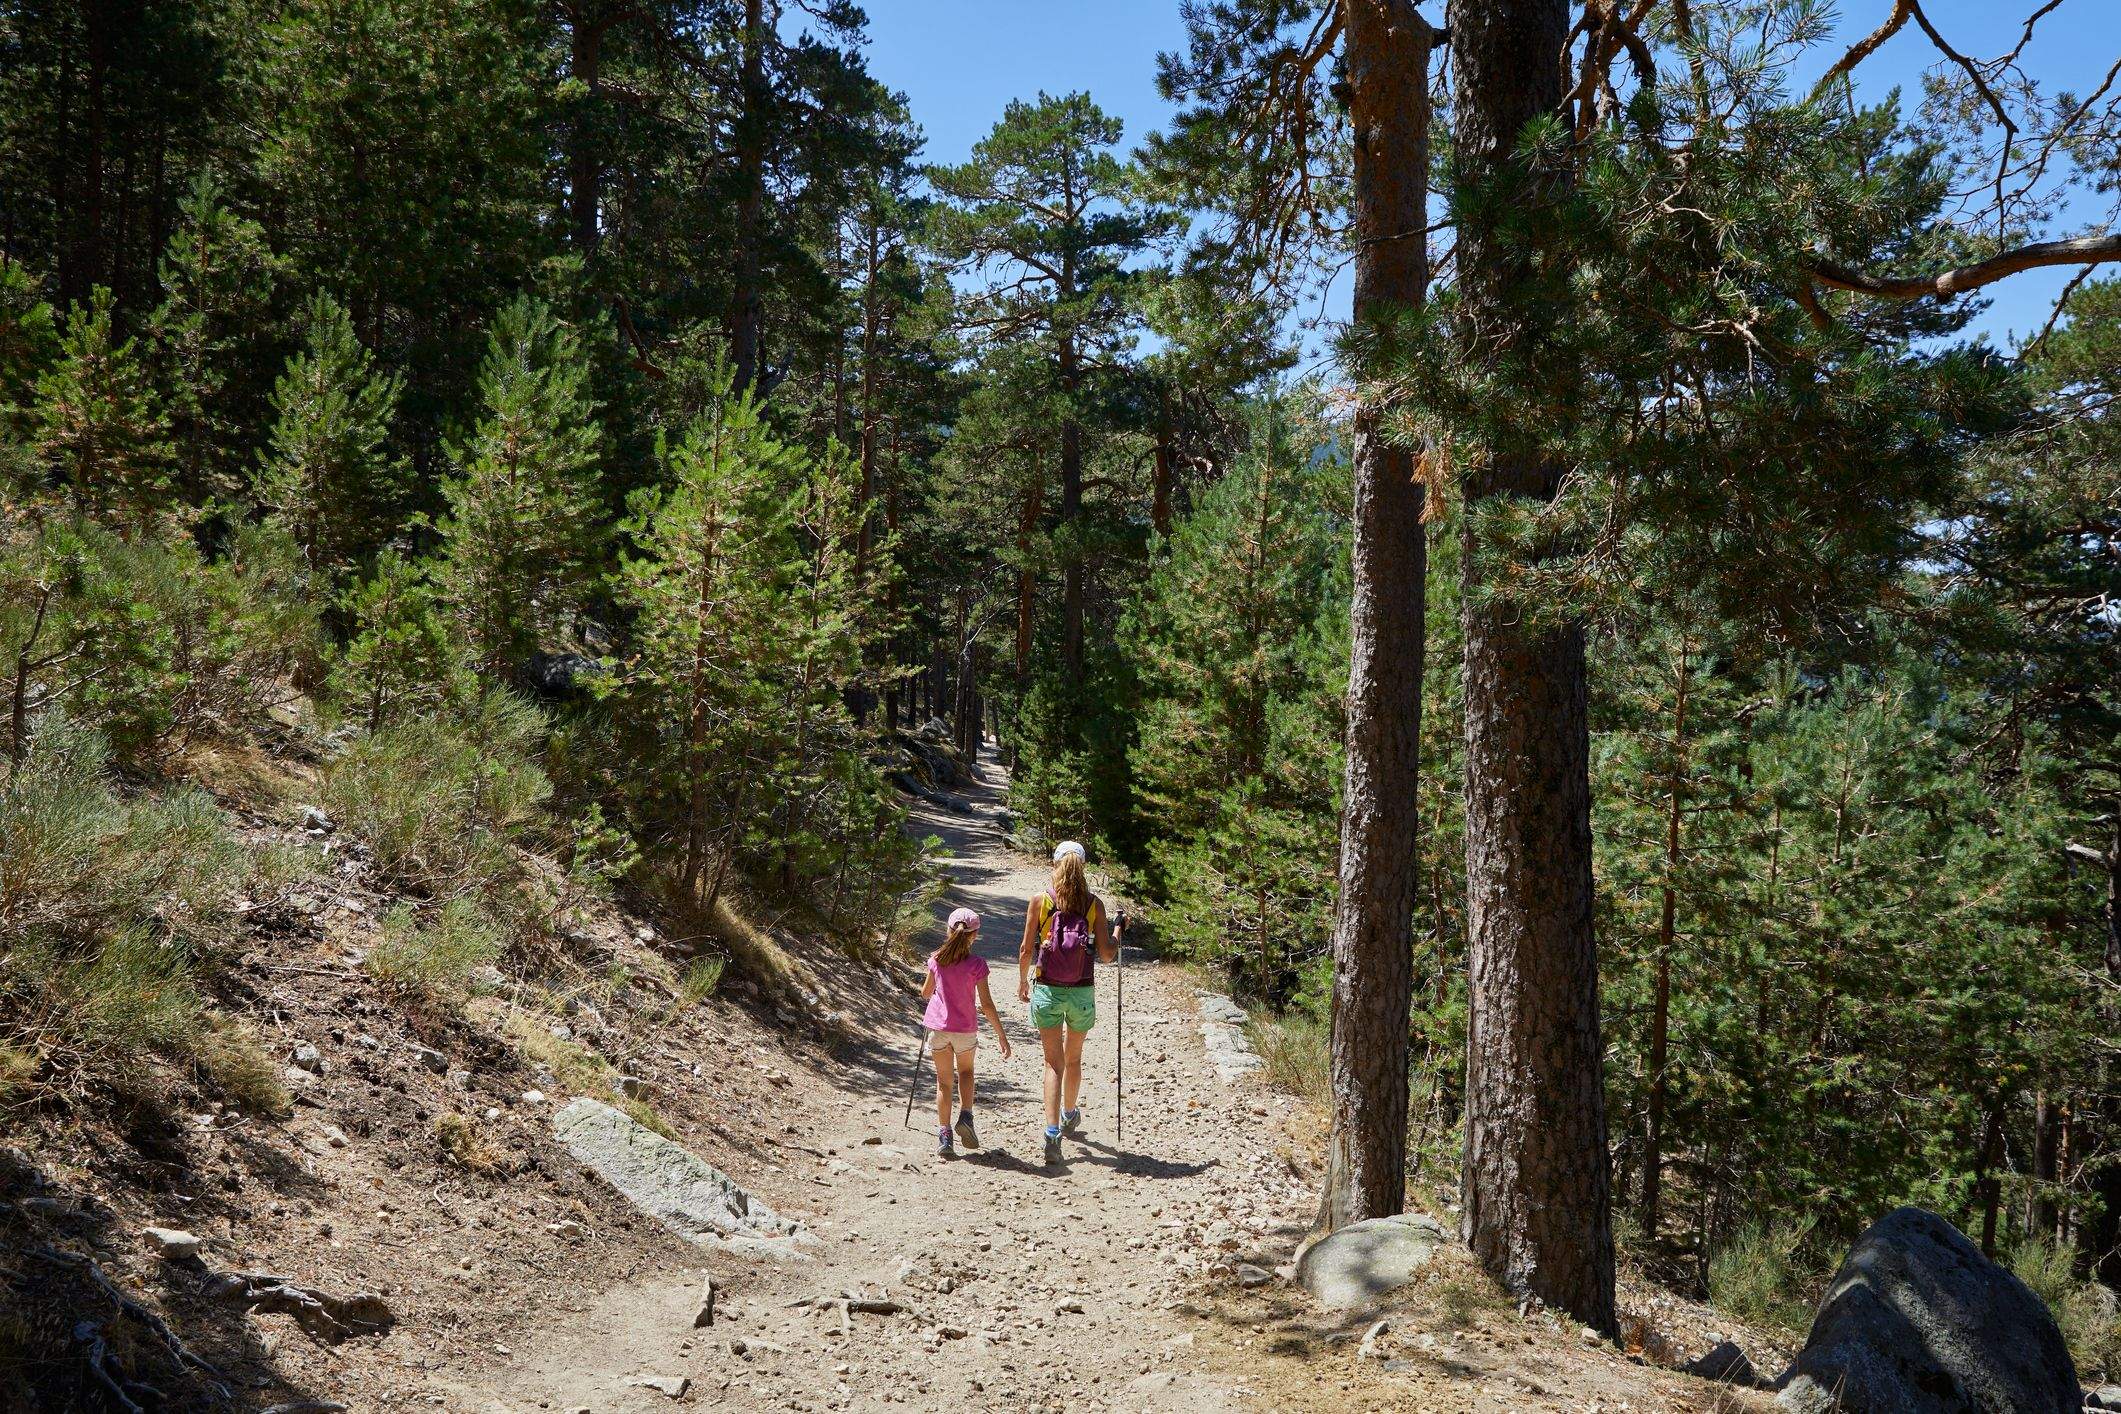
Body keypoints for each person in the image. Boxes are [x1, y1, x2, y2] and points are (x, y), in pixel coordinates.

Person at [1019, 841, 1117, 1165]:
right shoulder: (1094, 905)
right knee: (1073, 1060)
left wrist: (1022, 981)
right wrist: (1118, 932)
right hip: (1081, 991)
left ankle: (1051, 1134)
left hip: (1047, 988)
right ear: (1083, 867)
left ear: (1056, 864)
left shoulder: (1041, 901)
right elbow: (1105, 954)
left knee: (1052, 1064)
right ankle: (1070, 1113)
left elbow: (1025, 948)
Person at [921, 906, 1011, 1158]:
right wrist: (1001, 1036)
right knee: (967, 1072)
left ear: (948, 930)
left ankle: (944, 1136)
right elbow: (987, 1004)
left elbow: (926, 993)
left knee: (943, 1082)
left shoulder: (936, 959)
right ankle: (967, 1116)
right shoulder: (977, 965)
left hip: (939, 1029)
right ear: (975, 935)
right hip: (965, 1030)